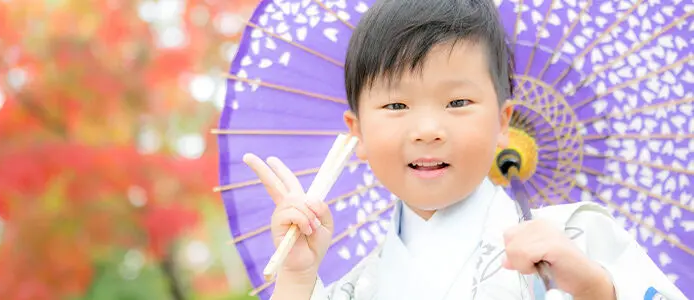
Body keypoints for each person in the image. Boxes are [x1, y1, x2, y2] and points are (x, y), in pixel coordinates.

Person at [242, 0, 688, 299]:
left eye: (458, 102)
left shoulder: (575, 237)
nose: (429, 129)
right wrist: (298, 276)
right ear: (355, 133)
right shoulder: (356, 288)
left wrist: (595, 289)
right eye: (396, 104)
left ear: (502, 121)